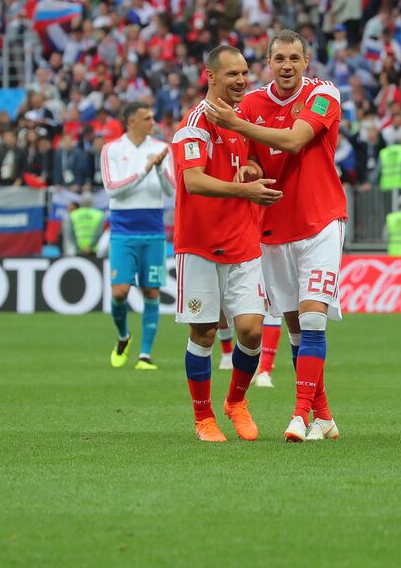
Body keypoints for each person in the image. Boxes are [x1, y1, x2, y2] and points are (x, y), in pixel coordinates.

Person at [203, 30, 349, 442]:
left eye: (294, 59)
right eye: (279, 59)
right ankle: (323, 416)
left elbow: (295, 140)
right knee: (295, 327)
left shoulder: (324, 94)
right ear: (269, 62)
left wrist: (236, 122)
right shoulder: (251, 103)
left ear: (306, 63)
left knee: (313, 316)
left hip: (321, 221)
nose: (286, 66)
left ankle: (300, 417)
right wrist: (248, 170)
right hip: (272, 226)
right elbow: (248, 158)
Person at [172, 45, 282, 442]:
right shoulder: (194, 125)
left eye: (245, 73)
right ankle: (203, 418)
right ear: (210, 76)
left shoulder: (241, 121)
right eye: (232, 74)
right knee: (202, 332)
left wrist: (250, 168)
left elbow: (248, 162)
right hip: (200, 245)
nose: (241, 81)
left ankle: (236, 401)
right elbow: (193, 181)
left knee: (252, 331)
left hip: (243, 243)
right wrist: (246, 191)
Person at [101, 102, 174, 370]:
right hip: (123, 229)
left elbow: (171, 190)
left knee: (151, 290)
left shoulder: (160, 148)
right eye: (147, 117)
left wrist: (159, 168)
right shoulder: (111, 149)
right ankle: (123, 337)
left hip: (153, 228)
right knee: (120, 292)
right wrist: (145, 169)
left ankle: (145, 355)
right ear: (131, 121)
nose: (153, 121)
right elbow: (112, 189)